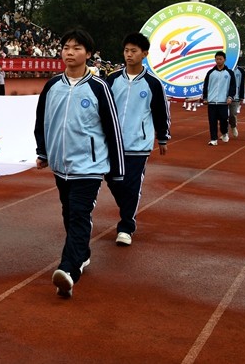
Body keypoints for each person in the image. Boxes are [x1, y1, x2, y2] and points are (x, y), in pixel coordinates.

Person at [34, 28, 124, 298]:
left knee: (79, 214)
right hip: (61, 165)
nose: (70, 53)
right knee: (68, 212)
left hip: (89, 167)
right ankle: (82, 254)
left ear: (89, 53)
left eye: (76, 48)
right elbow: (42, 120)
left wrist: (117, 170)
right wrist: (43, 152)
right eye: (66, 48)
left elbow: (113, 129)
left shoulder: (99, 88)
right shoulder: (52, 86)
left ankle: (69, 270)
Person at [106, 33, 170, 247]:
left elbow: (161, 112)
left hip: (138, 144)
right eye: (126, 50)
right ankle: (127, 208)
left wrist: (163, 137)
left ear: (144, 54)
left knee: (132, 185)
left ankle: (126, 227)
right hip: (112, 144)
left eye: (134, 51)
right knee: (113, 180)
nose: (129, 54)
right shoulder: (112, 80)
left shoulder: (153, 83)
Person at [202, 51, 236, 146]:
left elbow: (233, 86)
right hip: (212, 102)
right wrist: (205, 97)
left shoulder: (229, 73)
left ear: (224, 60)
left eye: (220, 59)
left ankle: (224, 133)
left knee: (224, 120)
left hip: (223, 102)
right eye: (217, 59)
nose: (218, 61)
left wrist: (230, 97)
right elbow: (206, 86)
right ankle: (213, 139)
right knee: (212, 121)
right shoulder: (210, 72)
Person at [229, 64, 245, 136]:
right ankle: (225, 132)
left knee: (233, 114)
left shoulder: (241, 71)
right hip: (223, 96)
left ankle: (233, 126)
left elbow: (243, 84)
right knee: (223, 115)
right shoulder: (224, 69)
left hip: (235, 96)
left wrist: (242, 96)